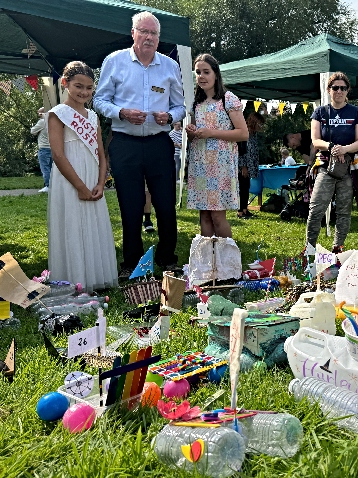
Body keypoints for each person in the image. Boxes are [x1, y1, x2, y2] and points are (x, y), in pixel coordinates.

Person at [94, 11, 185, 278]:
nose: (148, 37)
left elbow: (180, 106)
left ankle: (168, 259)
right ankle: (131, 263)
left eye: (153, 33)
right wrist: (122, 112)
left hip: (159, 142)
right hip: (125, 143)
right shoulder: (115, 61)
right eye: (143, 32)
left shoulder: (170, 65)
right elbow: (99, 101)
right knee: (130, 204)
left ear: (159, 38)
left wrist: (169, 116)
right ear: (133, 33)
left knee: (166, 203)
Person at [46, 62, 117, 291]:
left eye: (89, 88)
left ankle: (95, 274)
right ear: (65, 84)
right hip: (70, 178)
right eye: (78, 86)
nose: (84, 92)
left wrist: (100, 182)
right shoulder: (57, 114)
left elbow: (101, 153)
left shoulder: (93, 116)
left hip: (92, 174)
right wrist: (79, 186)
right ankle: (75, 277)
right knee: (73, 223)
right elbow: (57, 154)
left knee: (93, 223)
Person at [185, 53, 248, 238]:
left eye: (206, 72)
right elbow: (196, 134)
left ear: (216, 74)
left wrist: (211, 132)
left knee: (217, 216)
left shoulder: (227, 99)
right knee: (204, 215)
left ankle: (226, 261)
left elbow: (243, 133)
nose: (201, 76)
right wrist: (191, 132)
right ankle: (207, 260)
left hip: (220, 166)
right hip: (200, 165)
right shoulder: (196, 103)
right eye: (198, 72)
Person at [307, 72, 358, 253]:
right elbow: (315, 140)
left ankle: (338, 248)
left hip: (348, 168)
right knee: (315, 209)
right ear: (329, 90)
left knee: (344, 212)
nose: (339, 91)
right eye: (335, 88)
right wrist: (332, 147)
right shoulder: (320, 112)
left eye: (343, 88)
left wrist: (344, 149)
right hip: (325, 167)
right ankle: (309, 248)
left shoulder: (356, 112)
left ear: (348, 91)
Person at [238, 112, 265, 219]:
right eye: (260, 124)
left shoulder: (254, 134)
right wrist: (243, 166)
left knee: (246, 187)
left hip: (250, 164)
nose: (261, 126)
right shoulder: (245, 133)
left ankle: (245, 209)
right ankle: (240, 211)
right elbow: (241, 150)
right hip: (243, 165)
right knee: (242, 187)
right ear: (255, 122)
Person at [31, 107, 51, 193]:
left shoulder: (42, 122)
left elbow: (32, 131)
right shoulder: (53, 121)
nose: (39, 115)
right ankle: (54, 186)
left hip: (44, 148)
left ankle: (48, 186)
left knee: (45, 168)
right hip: (53, 148)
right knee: (52, 169)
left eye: (40, 113)